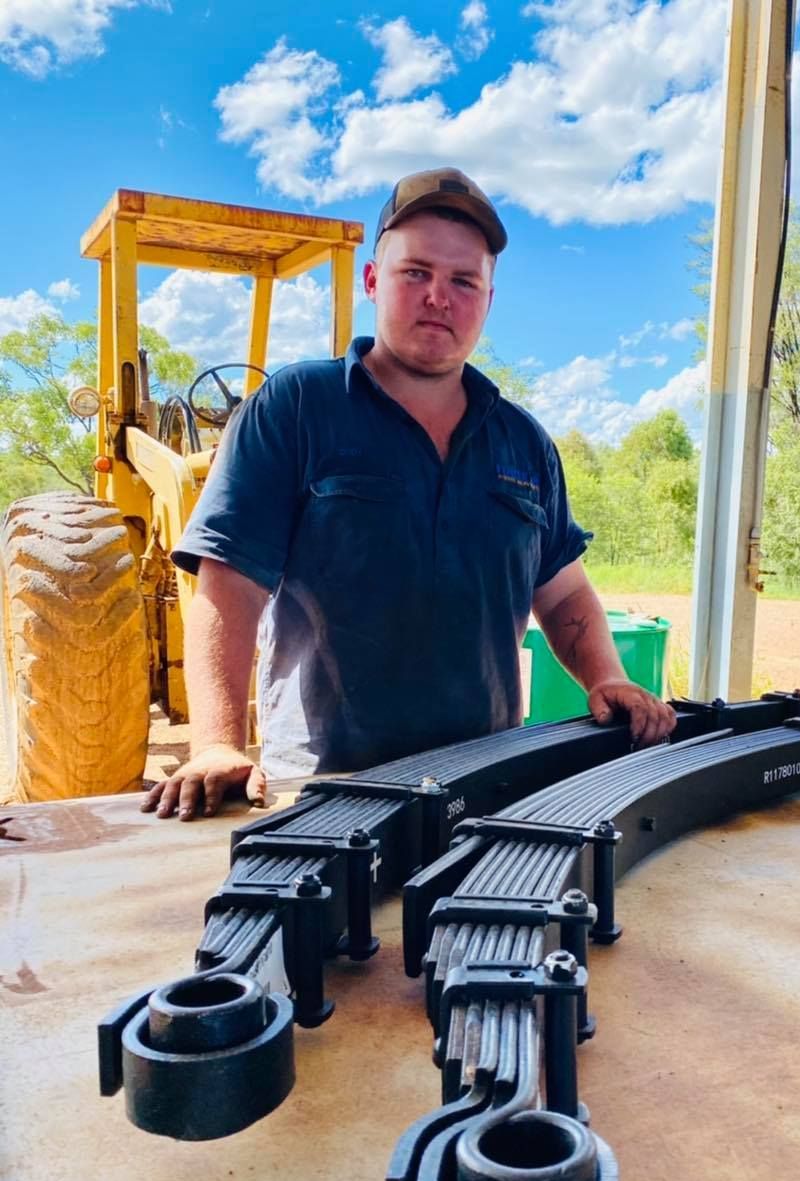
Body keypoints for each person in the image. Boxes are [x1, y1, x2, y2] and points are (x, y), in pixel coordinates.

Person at [144, 167, 676, 821]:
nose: (438, 297)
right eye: (415, 273)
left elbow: (563, 590)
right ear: (373, 280)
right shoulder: (295, 409)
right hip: (321, 790)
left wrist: (607, 677)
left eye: (463, 281)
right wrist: (216, 743)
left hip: (485, 785)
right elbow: (230, 586)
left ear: (487, 299)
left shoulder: (524, 443)